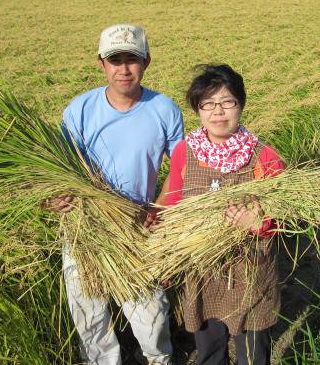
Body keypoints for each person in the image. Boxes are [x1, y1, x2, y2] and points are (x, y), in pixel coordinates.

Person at [48, 23, 183, 365]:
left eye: (132, 60)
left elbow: (182, 165)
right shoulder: (79, 110)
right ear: (101, 64)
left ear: (146, 62)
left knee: (150, 315)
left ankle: (158, 359)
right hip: (84, 229)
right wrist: (55, 199)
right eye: (115, 60)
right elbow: (59, 172)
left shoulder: (164, 109)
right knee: (90, 317)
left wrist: (160, 208)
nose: (124, 69)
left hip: (139, 227)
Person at [164, 64, 284, 365]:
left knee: (254, 354)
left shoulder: (264, 155)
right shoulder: (184, 152)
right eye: (208, 104)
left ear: (240, 104)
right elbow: (173, 207)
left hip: (251, 273)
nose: (218, 112)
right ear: (198, 110)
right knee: (209, 351)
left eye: (227, 102)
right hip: (203, 274)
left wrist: (260, 223)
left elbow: (286, 218)